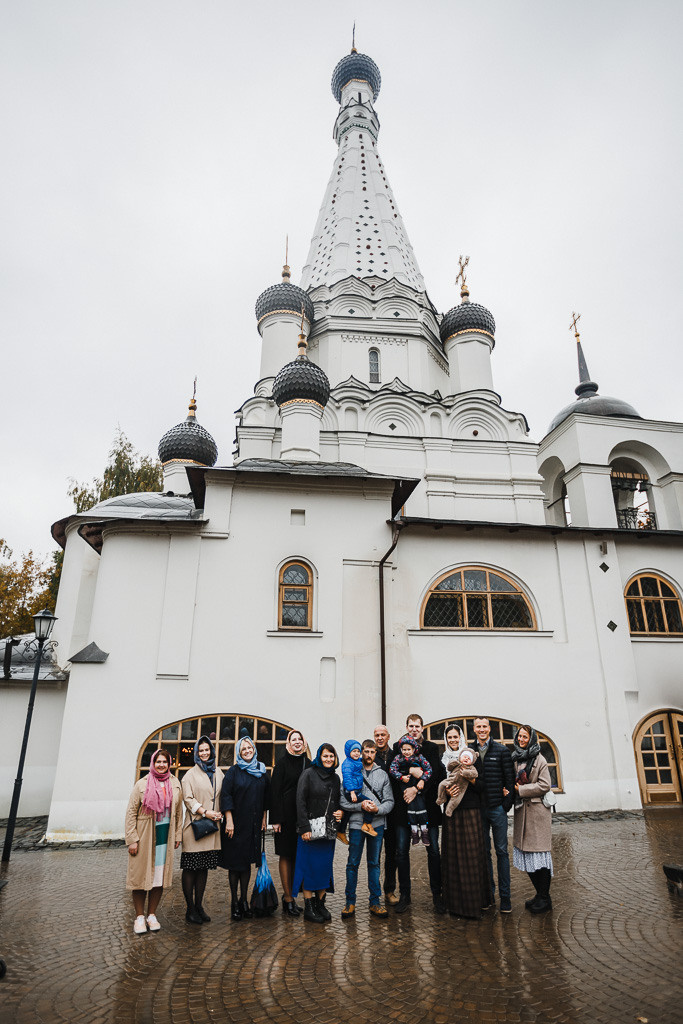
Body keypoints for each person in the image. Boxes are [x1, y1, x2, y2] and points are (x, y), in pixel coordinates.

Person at [125, 748, 183, 935]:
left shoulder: (175, 783)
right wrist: (132, 839)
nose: (161, 765)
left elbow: (179, 813)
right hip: (145, 837)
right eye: (158, 761)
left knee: (159, 877)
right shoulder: (142, 784)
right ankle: (139, 917)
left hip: (164, 838)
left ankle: (152, 914)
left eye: (164, 762)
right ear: (153, 762)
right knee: (140, 878)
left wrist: (177, 835)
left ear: (169, 763)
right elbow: (131, 812)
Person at [391, 714, 445, 914]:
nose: (414, 729)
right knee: (401, 853)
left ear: (422, 728)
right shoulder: (398, 748)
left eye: (417, 726)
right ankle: (405, 895)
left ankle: (437, 896)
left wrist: (419, 786)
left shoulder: (431, 748)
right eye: (410, 726)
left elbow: (438, 775)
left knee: (433, 852)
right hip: (404, 808)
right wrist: (408, 786)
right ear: (406, 727)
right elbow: (392, 772)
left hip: (427, 808)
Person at [438, 723, 492, 919]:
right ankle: (454, 903)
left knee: (471, 856)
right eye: (449, 737)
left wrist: (469, 778)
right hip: (452, 813)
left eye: (455, 737)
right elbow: (439, 782)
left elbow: (482, 785)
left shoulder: (471, 755)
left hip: (470, 811)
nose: (453, 740)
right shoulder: (443, 758)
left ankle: (473, 903)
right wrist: (446, 790)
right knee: (453, 857)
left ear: (461, 737)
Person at [339, 739, 394, 919]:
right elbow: (343, 800)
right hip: (356, 824)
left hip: (376, 825)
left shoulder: (382, 775)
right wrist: (360, 806)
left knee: (374, 864)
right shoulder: (352, 769)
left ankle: (375, 902)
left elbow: (390, 801)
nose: (368, 755)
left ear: (375, 753)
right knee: (352, 863)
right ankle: (350, 902)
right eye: (366, 752)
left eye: (372, 752)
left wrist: (377, 809)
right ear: (361, 752)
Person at [219, 733, 269, 921]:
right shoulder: (233, 771)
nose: (247, 751)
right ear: (239, 752)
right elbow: (226, 796)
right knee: (235, 865)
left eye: (249, 748)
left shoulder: (261, 770)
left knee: (247, 863)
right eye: (243, 749)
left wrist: (264, 818)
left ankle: (244, 901)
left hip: (254, 825)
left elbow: (265, 797)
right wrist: (229, 820)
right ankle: (234, 902)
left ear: (254, 749)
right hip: (235, 825)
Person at [506, 724, 554, 914]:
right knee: (527, 855)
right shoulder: (516, 758)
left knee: (539, 856)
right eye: (519, 737)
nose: (521, 740)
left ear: (531, 738)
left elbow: (545, 785)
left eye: (525, 737)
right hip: (521, 812)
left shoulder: (539, 759)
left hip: (536, 813)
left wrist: (521, 790)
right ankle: (539, 894)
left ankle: (545, 897)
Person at [293, 743, 342, 924]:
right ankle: (309, 906)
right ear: (319, 757)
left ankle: (320, 903)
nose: (328, 759)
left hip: (328, 831)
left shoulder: (336, 778)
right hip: (310, 831)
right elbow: (300, 801)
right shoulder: (308, 774)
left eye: (331, 756)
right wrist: (304, 827)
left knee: (323, 868)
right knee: (309, 868)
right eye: (325, 756)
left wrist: (341, 813)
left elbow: (339, 801)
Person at [180, 735, 224, 924]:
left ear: (212, 751)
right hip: (195, 827)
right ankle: (189, 908)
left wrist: (222, 814)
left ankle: (199, 906)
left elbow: (223, 795)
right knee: (191, 868)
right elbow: (188, 800)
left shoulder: (219, 772)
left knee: (203, 868)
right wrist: (206, 812)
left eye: (207, 750)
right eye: (201, 750)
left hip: (212, 829)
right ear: (197, 753)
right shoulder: (189, 775)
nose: (205, 753)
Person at [473, 716, 515, 913]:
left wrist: (505, 806)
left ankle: (505, 898)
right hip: (479, 810)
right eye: (478, 727)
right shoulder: (469, 751)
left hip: (497, 809)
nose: (482, 730)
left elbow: (510, 779)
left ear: (489, 729)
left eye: (484, 726)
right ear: (474, 729)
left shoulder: (502, 751)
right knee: (484, 854)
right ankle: (488, 895)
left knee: (502, 852)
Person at [269, 729, 311, 917]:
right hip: (285, 818)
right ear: (288, 743)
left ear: (304, 743)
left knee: (298, 856)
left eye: (299, 739)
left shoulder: (308, 764)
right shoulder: (282, 764)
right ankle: (287, 899)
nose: (297, 742)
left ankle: (295, 895)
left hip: (302, 818)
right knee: (286, 856)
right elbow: (274, 792)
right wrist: (275, 820)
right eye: (293, 739)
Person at [389, 735, 432, 845]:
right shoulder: (398, 758)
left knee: (421, 808)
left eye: (409, 749)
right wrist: (401, 777)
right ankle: (414, 833)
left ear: (414, 749)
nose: (407, 752)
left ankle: (424, 831)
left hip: (418, 786)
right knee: (411, 809)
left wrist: (423, 780)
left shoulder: (419, 758)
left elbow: (429, 769)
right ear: (401, 749)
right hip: (406, 786)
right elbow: (392, 769)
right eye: (404, 749)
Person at [373, 724, 398, 905]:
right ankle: (374, 893)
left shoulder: (396, 755)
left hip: (395, 813)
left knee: (392, 854)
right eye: (377, 735)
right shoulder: (370, 757)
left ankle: (389, 890)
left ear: (388, 736)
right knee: (374, 856)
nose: (380, 738)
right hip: (375, 814)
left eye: (382, 735)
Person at [337, 739, 377, 843]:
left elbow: (362, 761)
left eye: (358, 751)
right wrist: (352, 792)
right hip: (352, 791)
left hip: (355, 790)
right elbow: (347, 778)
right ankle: (367, 824)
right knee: (369, 803)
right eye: (354, 751)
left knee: (347, 812)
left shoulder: (355, 761)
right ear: (348, 752)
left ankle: (341, 831)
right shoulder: (347, 764)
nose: (356, 753)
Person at [437, 746, 478, 817]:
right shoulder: (457, 763)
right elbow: (449, 768)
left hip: (460, 786)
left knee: (455, 800)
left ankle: (449, 810)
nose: (466, 759)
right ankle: (441, 798)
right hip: (450, 780)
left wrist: (466, 773)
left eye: (469, 758)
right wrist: (452, 763)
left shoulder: (471, 767)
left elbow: (475, 774)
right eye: (465, 757)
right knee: (441, 784)